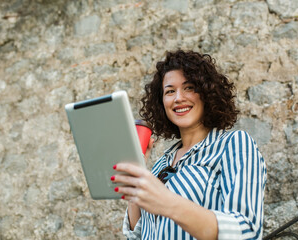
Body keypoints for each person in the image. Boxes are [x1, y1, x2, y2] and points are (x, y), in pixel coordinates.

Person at [111, 50, 267, 239]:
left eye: (189, 87)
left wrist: (168, 203)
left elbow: (247, 230)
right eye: (170, 91)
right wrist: (137, 168)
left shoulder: (234, 145)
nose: (178, 98)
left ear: (207, 92)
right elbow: (139, 235)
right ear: (162, 103)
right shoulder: (162, 163)